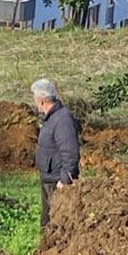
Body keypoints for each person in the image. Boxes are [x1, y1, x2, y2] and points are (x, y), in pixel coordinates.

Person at [31, 78, 81, 227]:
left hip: (57, 181)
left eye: (34, 99)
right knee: (47, 219)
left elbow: (70, 152)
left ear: (41, 101)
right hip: (49, 177)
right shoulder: (51, 118)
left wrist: (65, 179)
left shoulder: (62, 120)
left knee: (56, 222)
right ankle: (45, 248)